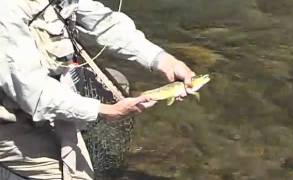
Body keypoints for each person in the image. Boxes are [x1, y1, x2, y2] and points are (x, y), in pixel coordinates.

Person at [0, 0, 195, 179]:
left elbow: (105, 25)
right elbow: (35, 94)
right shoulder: (7, 10)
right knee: (75, 175)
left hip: (42, 94)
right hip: (10, 119)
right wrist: (107, 111)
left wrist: (165, 61)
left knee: (118, 82)